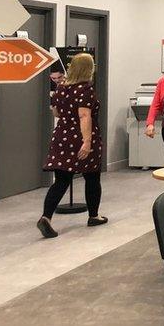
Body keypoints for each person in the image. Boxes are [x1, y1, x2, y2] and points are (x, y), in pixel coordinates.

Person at [37, 53, 106, 238]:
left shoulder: (60, 88)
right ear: (88, 69)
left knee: (61, 180)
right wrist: (87, 142)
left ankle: (46, 217)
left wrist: (69, 116)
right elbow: (85, 116)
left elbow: (56, 113)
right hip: (80, 137)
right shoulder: (85, 89)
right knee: (92, 177)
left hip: (62, 136)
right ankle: (93, 215)